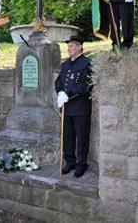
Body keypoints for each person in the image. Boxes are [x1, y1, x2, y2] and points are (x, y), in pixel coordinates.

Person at [55, 35, 92, 178]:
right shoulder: (65, 65)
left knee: (82, 138)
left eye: (71, 46)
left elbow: (86, 86)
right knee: (68, 137)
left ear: (79, 46)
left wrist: (68, 94)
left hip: (81, 108)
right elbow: (58, 82)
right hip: (66, 108)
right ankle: (69, 161)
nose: (69, 48)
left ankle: (81, 164)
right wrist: (60, 93)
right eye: (68, 46)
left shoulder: (87, 63)